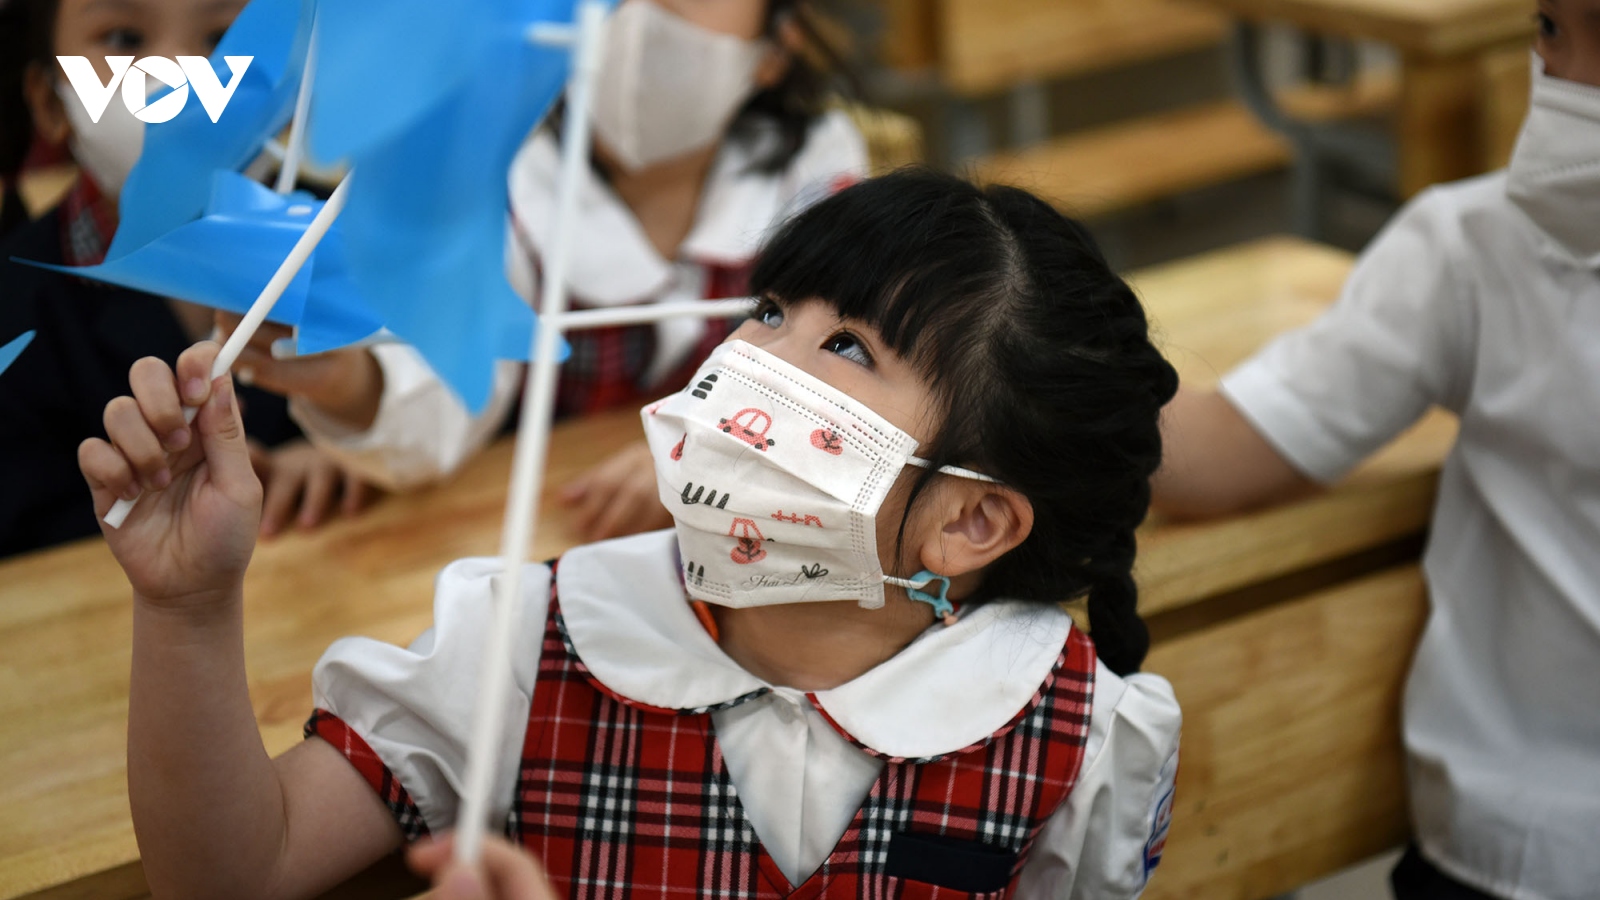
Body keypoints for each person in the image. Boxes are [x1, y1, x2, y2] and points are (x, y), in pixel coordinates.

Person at [81, 171, 1183, 900]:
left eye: (846, 346)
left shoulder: (1076, 739)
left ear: (970, 520)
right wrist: (187, 608)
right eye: (768, 310)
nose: (749, 360)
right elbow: (237, 873)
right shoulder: (530, 644)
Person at [1152, 5, 1600, 899]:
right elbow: (1218, 453)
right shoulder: (1471, 248)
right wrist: (1014, 343)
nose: (1568, 81)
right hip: (1512, 852)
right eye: (1552, 27)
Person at [223, 0, 870, 542]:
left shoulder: (815, 171)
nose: (635, 17)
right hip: (560, 531)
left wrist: (713, 448)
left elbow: (862, 377)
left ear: (776, 47)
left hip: (752, 534)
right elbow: (450, 386)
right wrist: (353, 381)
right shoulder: (498, 180)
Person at [0, 0, 380, 557]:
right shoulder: (15, 310)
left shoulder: (358, 235)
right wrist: (158, 504)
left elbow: (477, 411)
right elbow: (25, 540)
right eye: (124, 39)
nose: (180, 75)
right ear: (49, 102)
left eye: (225, 38)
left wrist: (355, 433)